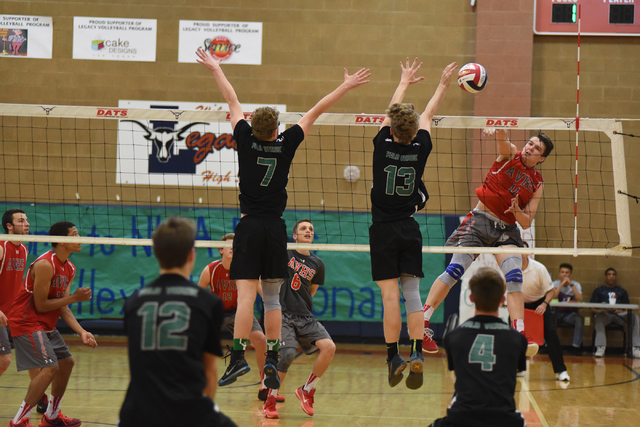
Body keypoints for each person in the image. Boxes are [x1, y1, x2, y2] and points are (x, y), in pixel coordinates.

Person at [196, 47, 369, 390]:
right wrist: (345, 86)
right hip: (276, 228)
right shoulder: (286, 143)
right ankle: (272, 359)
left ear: (253, 127)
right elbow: (315, 111)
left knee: (247, 296)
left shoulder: (243, 139)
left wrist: (216, 67)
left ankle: (237, 358)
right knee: (272, 298)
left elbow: (232, 102)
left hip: (248, 225)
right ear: (276, 129)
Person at [421, 127, 554, 356]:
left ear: (541, 158)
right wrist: (498, 128)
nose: (530, 148)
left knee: (514, 276)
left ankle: (519, 334)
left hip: (507, 230)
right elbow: (504, 141)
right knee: (455, 270)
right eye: (530, 143)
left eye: (536, 149)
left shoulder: (538, 183)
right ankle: (422, 323)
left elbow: (526, 221)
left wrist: (516, 210)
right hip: (480, 221)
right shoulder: (510, 155)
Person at [368, 58, 456, 389]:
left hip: (383, 230)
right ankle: (417, 352)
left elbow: (391, 110)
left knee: (390, 297)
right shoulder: (422, 146)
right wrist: (444, 84)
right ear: (414, 131)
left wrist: (403, 80)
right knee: (413, 295)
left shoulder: (382, 145)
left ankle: (393, 356)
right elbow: (429, 115)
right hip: (409, 227)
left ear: (390, 130)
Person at [120, 217, 237, 427]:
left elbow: (136, 365)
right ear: (192, 254)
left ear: (156, 253)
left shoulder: (134, 302)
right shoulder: (207, 303)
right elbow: (210, 371)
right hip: (188, 410)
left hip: (136, 414)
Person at [7, 221, 97, 427]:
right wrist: (74, 298)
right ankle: (18, 421)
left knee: (67, 363)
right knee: (50, 367)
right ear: (62, 240)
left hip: (44, 324)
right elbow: (41, 305)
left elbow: (63, 307)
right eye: (74, 234)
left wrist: (82, 332)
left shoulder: (70, 267)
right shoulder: (45, 264)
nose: (79, 238)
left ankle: (52, 416)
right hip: (26, 321)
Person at [429, 267, 527, 427]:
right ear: (503, 300)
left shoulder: (453, 337)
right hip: (504, 420)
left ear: (471, 298)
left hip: (461, 419)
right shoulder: (517, 340)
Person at [197, 232, 282, 403]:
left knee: (260, 339)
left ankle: (265, 385)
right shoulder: (211, 269)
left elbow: (265, 296)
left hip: (239, 313)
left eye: (236, 245)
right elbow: (197, 295)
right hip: (218, 312)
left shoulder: (247, 271)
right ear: (220, 249)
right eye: (230, 245)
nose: (233, 249)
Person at [262, 218, 334, 419]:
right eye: (303, 229)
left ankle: (307, 389)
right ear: (295, 236)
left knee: (329, 347)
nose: (308, 231)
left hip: (305, 316)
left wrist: (300, 305)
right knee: (287, 355)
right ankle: (270, 401)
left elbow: (311, 291)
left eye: (311, 229)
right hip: (283, 315)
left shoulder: (318, 264)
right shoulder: (284, 254)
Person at [520, 243, 569, 381]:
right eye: (518, 249)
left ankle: (561, 370)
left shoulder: (539, 268)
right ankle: (518, 368)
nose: (521, 252)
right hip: (520, 305)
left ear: (529, 252)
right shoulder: (510, 268)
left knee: (551, 334)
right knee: (513, 335)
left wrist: (544, 304)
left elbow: (551, 291)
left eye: (523, 250)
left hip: (540, 304)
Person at [0, 209, 29, 379]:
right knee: (4, 360)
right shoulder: (2, 247)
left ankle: (40, 397)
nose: (27, 224)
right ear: (9, 226)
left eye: (26, 220)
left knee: (33, 355)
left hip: (10, 316)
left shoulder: (23, 249)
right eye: (21, 221)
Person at [590, 267, 640, 358]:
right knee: (598, 316)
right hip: (605, 315)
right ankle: (600, 347)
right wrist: (603, 310)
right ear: (605, 276)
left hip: (619, 315)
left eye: (613, 275)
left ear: (616, 277)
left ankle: (635, 348)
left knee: (634, 316)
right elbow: (592, 309)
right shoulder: (599, 291)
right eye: (609, 274)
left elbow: (627, 309)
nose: (611, 277)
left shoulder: (622, 291)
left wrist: (619, 310)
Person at [552, 263, 584, 354]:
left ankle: (576, 347)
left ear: (570, 274)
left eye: (567, 272)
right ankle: (547, 345)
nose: (564, 274)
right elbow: (553, 297)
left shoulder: (576, 284)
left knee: (579, 319)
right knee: (547, 318)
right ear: (559, 274)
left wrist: (571, 285)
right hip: (556, 313)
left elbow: (580, 299)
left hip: (570, 314)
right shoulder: (554, 284)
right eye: (562, 272)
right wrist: (561, 285)